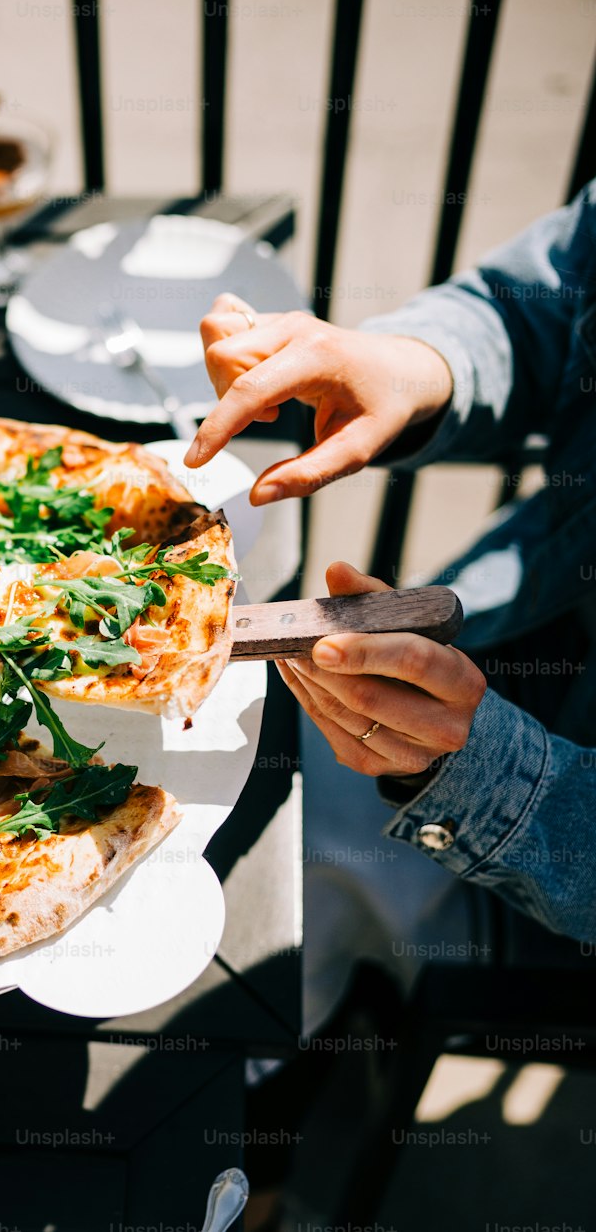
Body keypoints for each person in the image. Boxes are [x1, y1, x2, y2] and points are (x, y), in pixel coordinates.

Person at [190, 186, 596, 1230]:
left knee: (278, 861)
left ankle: (244, 1182)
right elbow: (543, 305)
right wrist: (421, 367)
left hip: (564, 867)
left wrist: (489, 778)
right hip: (525, 606)